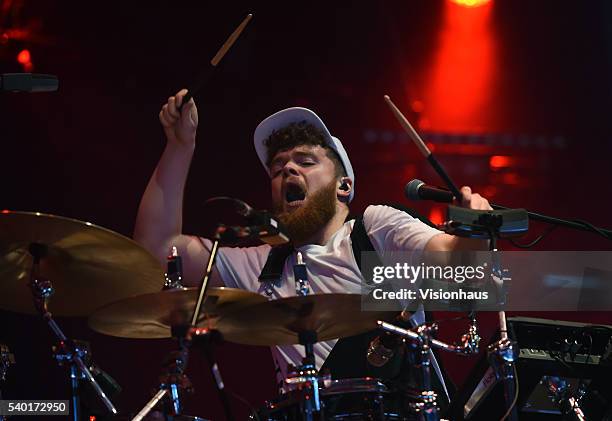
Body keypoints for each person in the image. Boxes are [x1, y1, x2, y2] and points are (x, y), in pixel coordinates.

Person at [134, 88, 492, 396]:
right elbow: (156, 249)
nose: (288, 170)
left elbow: (460, 272)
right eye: (277, 168)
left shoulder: (373, 231)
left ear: (344, 186)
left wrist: (473, 231)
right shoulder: (264, 266)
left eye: (305, 161)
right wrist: (180, 146)